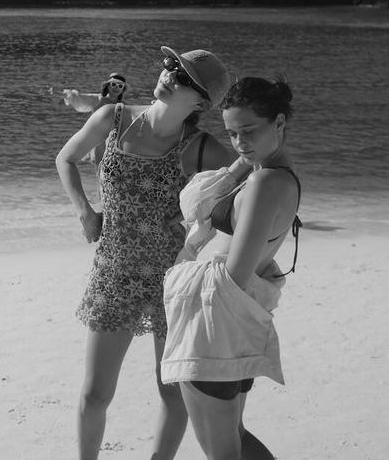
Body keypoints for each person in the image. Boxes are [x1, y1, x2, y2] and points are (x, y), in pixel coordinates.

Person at [56, 48, 234, 460]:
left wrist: (195, 215)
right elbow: (66, 158)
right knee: (95, 393)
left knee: (172, 393)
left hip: (171, 281)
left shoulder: (200, 147)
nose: (169, 75)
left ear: (201, 104)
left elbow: (245, 180)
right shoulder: (112, 118)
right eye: (171, 66)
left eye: (184, 77)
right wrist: (85, 212)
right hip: (113, 272)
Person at [160, 77, 301, 460]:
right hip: (231, 324)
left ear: (279, 123)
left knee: (220, 451)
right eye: (232, 133)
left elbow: (234, 274)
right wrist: (244, 160)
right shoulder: (272, 174)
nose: (240, 142)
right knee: (234, 437)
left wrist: (180, 268)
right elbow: (195, 202)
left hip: (213, 325)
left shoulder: (265, 182)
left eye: (249, 130)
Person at [49, 73, 128, 113]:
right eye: (113, 84)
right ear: (107, 86)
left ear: (123, 90)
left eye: (120, 86)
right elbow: (77, 97)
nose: (116, 88)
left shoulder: (125, 105)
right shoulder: (98, 99)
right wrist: (58, 94)